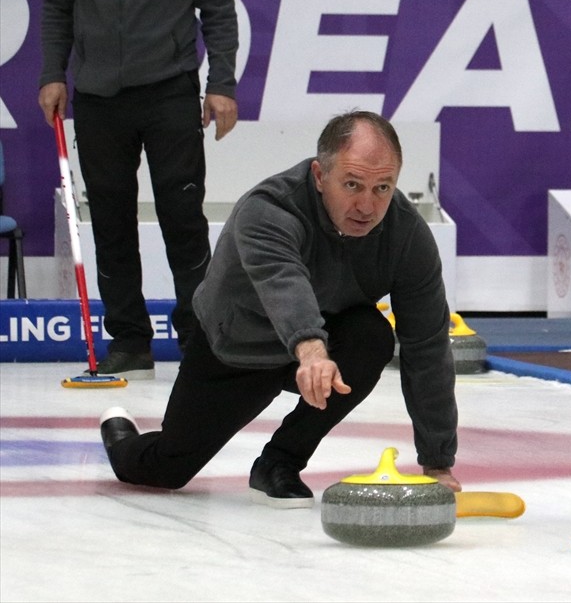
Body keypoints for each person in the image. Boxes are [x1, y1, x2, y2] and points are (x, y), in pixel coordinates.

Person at [98, 111, 460, 506]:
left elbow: (427, 346)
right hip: (237, 347)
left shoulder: (406, 236)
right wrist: (312, 351)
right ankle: (120, 434)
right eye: (352, 184)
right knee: (165, 469)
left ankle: (279, 461)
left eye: (382, 188)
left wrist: (438, 461)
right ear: (320, 176)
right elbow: (283, 284)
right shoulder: (269, 208)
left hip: (320, 352)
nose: (367, 206)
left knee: (371, 337)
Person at [38, 0, 239, 379]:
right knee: (112, 221)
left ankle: (200, 335)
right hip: (98, 95)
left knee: (183, 218)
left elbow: (217, 6)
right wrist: (53, 72)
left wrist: (220, 82)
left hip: (170, 92)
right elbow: (57, 1)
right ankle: (128, 339)